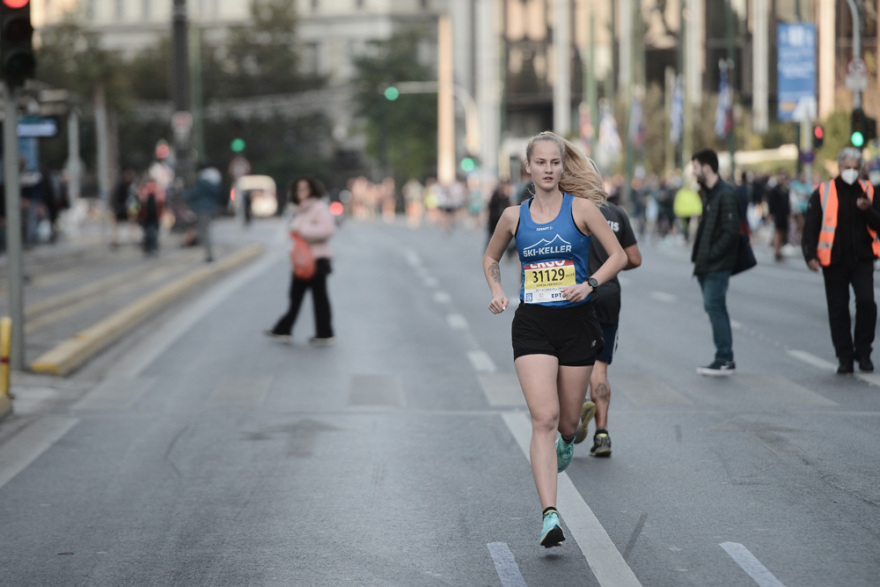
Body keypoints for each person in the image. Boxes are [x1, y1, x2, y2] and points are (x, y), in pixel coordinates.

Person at [482, 131, 626, 548]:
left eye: (554, 163)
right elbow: (491, 257)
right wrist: (496, 291)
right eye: (540, 163)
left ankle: (573, 425)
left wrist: (591, 284)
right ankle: (549, 515)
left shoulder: (581, 209)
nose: (548, 170)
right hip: (533, 325)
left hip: (578, 323)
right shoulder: (513, 216)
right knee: (542, 418)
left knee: (564, 424)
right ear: (528, 167)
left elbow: (617, 254)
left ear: (563, 167)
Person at [574, 183, 642, 457]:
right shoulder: (617, 213)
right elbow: (634, 258)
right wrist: (610, 265)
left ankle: (574, 418)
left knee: (569, 363)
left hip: (576, 294)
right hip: (609, 296)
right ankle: (602, 435)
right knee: (599, 369)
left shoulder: (572, 211)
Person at [801, 148, 880, 374]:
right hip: (833, 261)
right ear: (839, 167)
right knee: (838, 309)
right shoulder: (823, 192)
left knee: (867, 303)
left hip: (862, 259)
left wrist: (868, 212)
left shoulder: (870, 191)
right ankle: (844, 357)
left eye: (856, 168)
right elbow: (811, 227)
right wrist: (810, 255)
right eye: (847, 168)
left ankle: (863, 352)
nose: (852, 172)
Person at [266, 176, 337, 346]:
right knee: (295, 296)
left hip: (317, 259)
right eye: (298, 189)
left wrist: (303, 230)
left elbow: (328, 229)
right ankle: (284, 329)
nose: (301, 192)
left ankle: (324, 333)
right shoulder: (298, 210)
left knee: (319, 298)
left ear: (312, 190)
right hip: (302, 261)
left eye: (305, 188)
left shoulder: (318, 207)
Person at [691, 148, 740, 376]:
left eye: (695, 167)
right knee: (713, 307)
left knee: (715, 306)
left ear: (707, 168)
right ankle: (723, 356)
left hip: (717, 265)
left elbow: (731, 233)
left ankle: (724, 358)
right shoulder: (709, 193)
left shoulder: (725, 193)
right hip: (707, 264)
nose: (693, 172)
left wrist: (711, 256)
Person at [184, 162, 222, 263]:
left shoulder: (203, 181)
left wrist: (184, 195)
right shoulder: (214, 180)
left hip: (202, 209)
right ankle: (208, 253)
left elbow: (196, 192)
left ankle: (209, 255)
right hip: (211, 208)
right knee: (205, 231)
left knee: (204, 232)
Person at [767, 171, 791, 262]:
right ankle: (776, 251)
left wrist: (788, 213)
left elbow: (787, 202)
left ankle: (779, 249)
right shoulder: (774, 190)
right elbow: (771, 202)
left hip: (783, 214)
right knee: (778, 232)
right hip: (778, 214)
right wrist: (771, 213)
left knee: (782, 233)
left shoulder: (785, 189)